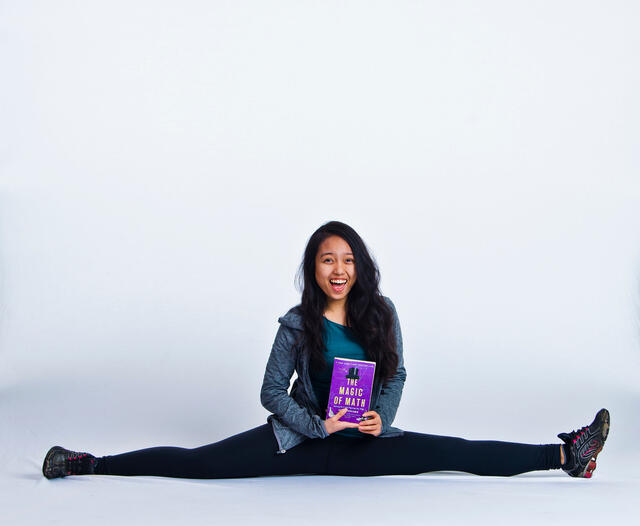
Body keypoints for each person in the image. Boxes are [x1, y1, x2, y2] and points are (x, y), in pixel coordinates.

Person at [42, 220, 610, 480]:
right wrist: (316, 424)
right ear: (313, 269)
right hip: (301, 444)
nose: (338, 269)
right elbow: (269, 392)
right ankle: (87, 463)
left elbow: (397, 374)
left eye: (347, 259)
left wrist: (377, 418)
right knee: (198, 464)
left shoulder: (382, 314)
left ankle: (565, 455)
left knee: (455, 452)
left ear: (358, 266)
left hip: (366, 445)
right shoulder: (296, 324)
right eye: (326, 259)